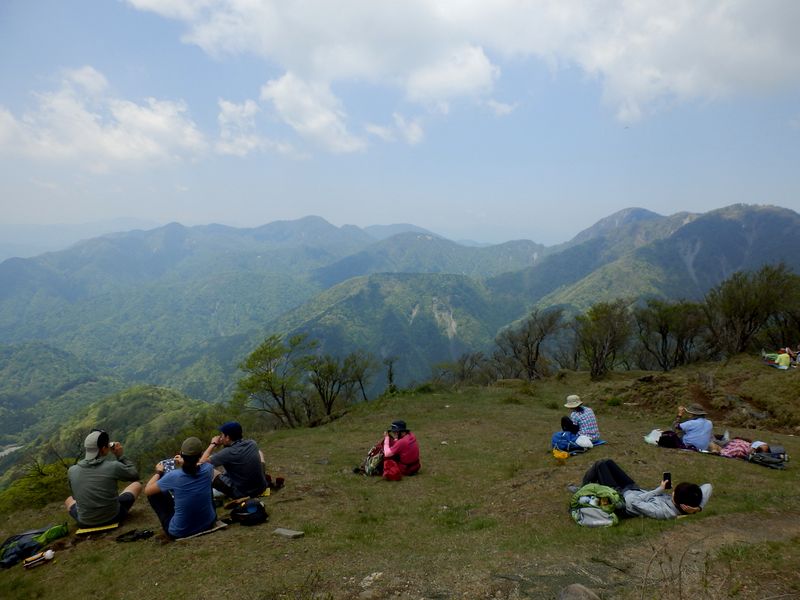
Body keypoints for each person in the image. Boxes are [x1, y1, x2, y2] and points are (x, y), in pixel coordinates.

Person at [581, 458, 712, 520]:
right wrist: (697, 508)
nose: (672, 492)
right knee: (608, 462)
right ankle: (586, 487)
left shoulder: (661, 512)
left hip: (621, 498)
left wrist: (659, 490)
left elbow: (633, 502)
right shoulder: (687, 503)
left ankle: (583, 489)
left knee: (600, 465)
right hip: (634, 490)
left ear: (677, 499)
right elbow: (708, 486)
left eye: (674, 492)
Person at [65, 429, 142, 528]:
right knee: (136, 485)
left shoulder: (72, 470)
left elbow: (75, 497)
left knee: (69, 500)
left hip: (85, 522)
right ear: (104, 448)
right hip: (113, 517)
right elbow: (134, 475)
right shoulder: (113, 466)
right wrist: (120, 456)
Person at [145, 437, 217, 539]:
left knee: (154, 494)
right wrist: (184, 461)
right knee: (205, 485)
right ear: (200, 455)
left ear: (181, 454)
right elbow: (200, 464)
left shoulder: (174, 476)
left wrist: (159, 472)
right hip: (208, 522)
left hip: (180, 531)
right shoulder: (208, 469)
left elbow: (147, 490)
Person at [199, 421, 267, 499]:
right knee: (260, 453)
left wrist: (213, 444)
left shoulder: (227, 452)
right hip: (261, 487)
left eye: (222, 434)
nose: (220, 437)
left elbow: (202, 463)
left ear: (227, 437)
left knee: (208, 470)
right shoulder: (252, 443)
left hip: (243, 493)